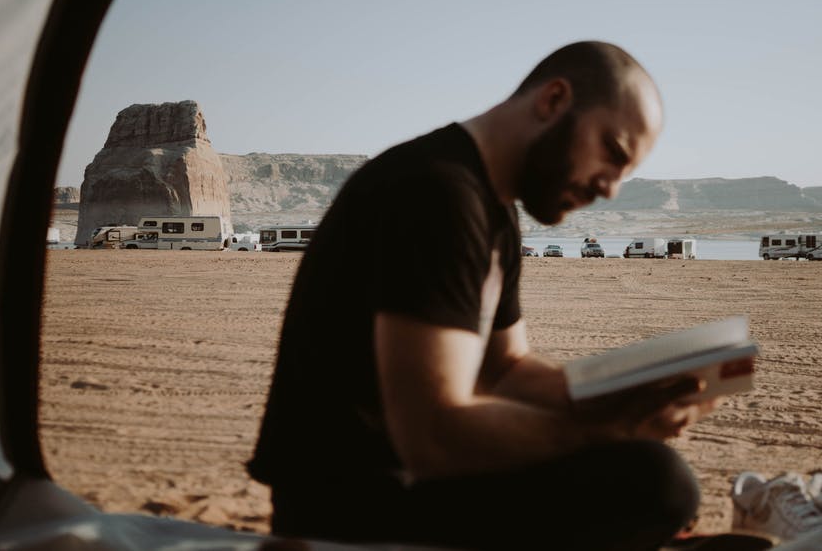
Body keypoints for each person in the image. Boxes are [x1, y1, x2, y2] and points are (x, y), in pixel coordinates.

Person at [248, 41, 723, 550]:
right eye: (613, 151)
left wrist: (623, 393)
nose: (610, 188)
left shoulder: (494, 209)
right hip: (348, 504)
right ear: (554, 100)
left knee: (650, 482)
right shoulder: (436, 192)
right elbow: (431, 436)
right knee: (657, 483)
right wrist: (610, 431)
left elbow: (505, 368)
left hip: (401, 482)